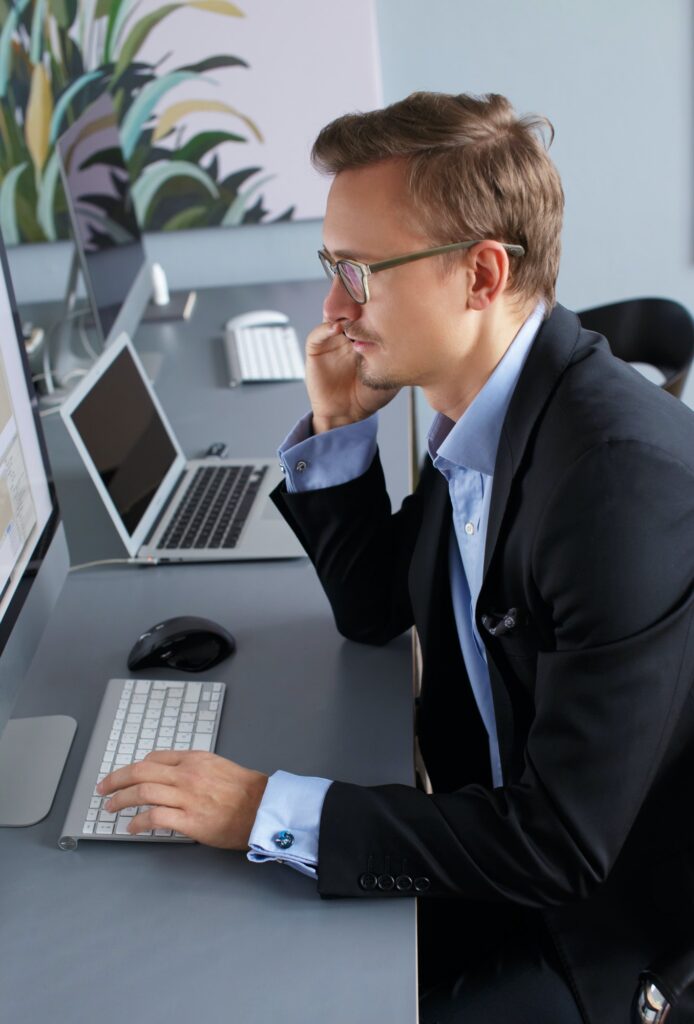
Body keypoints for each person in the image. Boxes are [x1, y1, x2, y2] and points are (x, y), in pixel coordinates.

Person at [98, 92, 694, 1023]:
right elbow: (381, 606)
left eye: (362, 273)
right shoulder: (478, 403)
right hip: (497, 852)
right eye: (332, 265)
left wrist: (263, 806)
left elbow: (563, 846)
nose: (333, 308)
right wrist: (337, 425)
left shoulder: (615, 483)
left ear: (482, 275)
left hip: (604, 928)